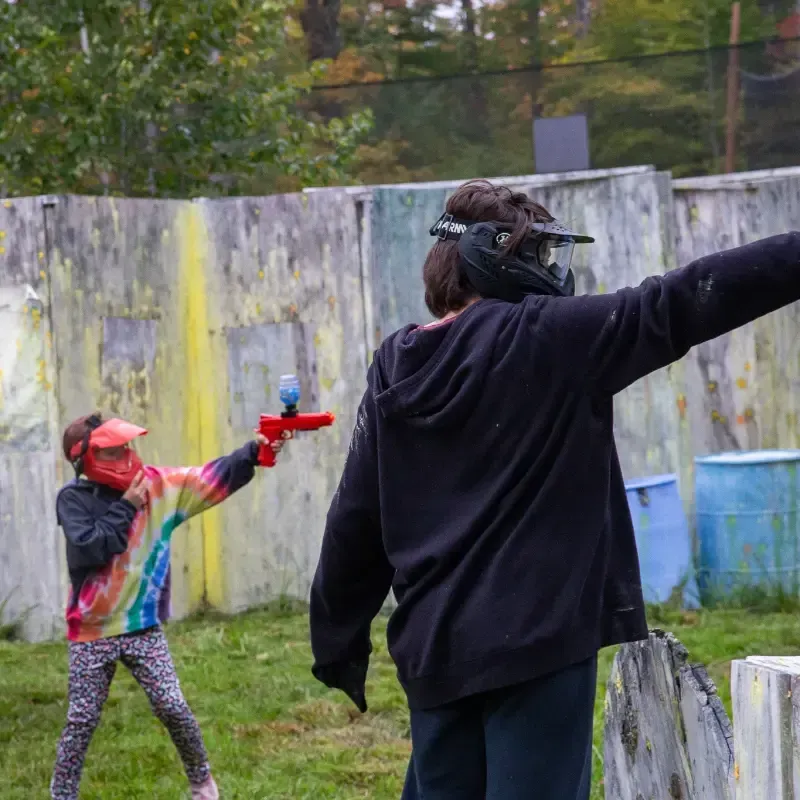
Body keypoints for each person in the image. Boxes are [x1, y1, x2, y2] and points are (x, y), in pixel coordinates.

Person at [307, 178, 800, 799]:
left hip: (433, 648)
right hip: (534, 644)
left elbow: (355, 514)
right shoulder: (548, 336)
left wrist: (338, 641)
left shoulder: (396, 361)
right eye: (534, 256)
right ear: (493, 259)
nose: (547, 271)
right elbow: (683, 300)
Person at [50, 413, 288, 800]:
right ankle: (62, 795)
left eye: (127, 446)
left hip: (143, 625)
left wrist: (254, 453)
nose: (126, 456)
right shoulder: (72, 500)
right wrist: (127, 504)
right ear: (85, 460)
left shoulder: (158, 487)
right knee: (81, 720)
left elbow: (209, 477)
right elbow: (91, 548)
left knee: (172, 706)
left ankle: (203, 784)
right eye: (112, 451)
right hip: (92, 631)